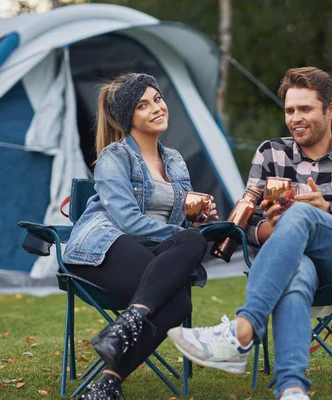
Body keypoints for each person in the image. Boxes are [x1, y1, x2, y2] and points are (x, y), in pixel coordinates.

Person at [168, 67, 332, 400]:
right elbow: (244, 220)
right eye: (290, 110)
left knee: (303, 212)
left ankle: (242, 331)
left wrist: (327, 209)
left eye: (305, 109)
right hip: (289, 259)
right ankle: (291, 388)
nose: (295, 118)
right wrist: (269, 228)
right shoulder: (271, 152)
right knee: (297, 270)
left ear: (330, 110)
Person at [62, 73, 218, 399]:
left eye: (157, 99)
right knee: (179, 290)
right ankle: (125, 335)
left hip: (149, 255)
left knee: (190, 253)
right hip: (102, 247)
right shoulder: (114, 157)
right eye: (143, 105)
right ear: (128, 118)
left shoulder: (174, 160)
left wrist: (198, 220)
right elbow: (127, 221)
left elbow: (178, 227)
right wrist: (182, 235)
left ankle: (107, 379)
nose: (157, 108)